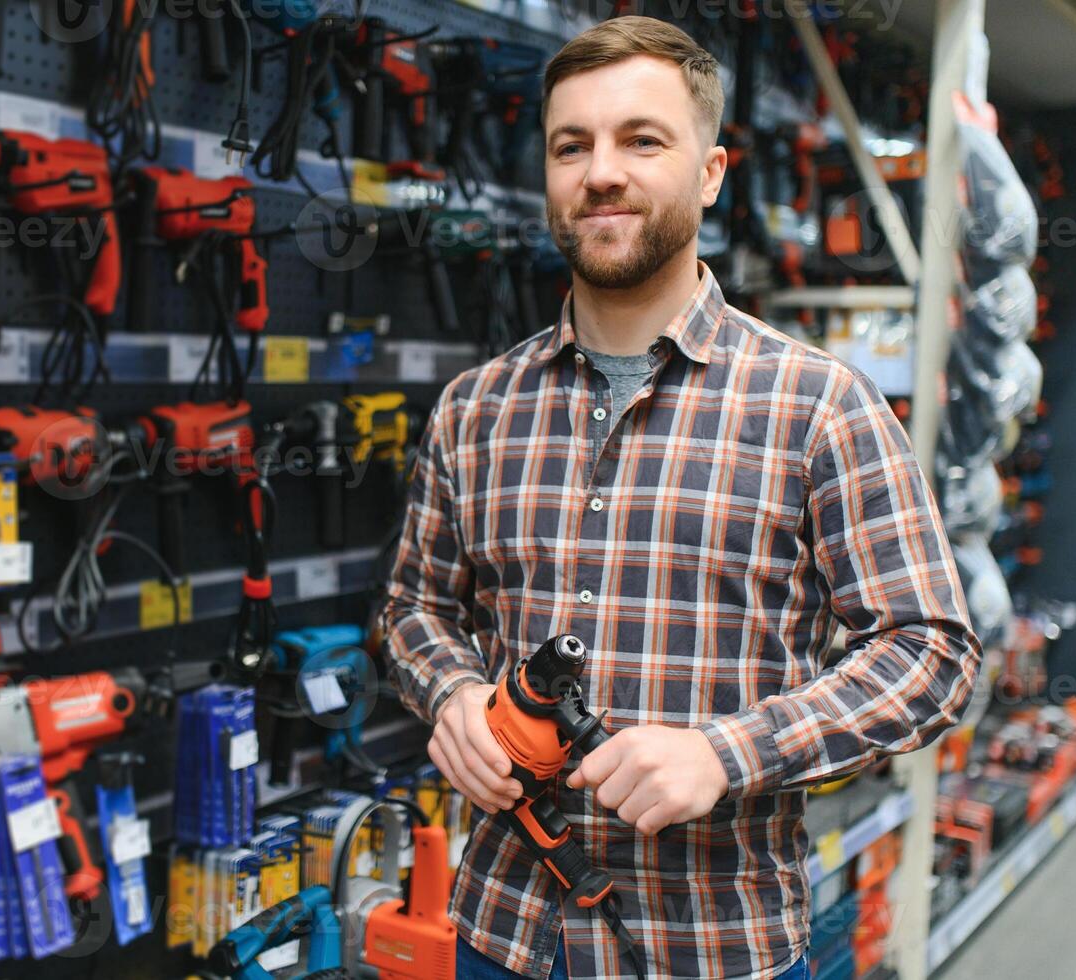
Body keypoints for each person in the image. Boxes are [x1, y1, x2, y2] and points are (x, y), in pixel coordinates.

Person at [378, 15, 981, 980]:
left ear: (710, 172)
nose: (601, 172)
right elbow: (414, 608)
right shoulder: (476, 408)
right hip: (498, 934)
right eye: (570, 146)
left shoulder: (819, 404)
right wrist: (451, 694)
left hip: (708, 944)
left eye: (641, 140)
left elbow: (930, 652)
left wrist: (726, 754)